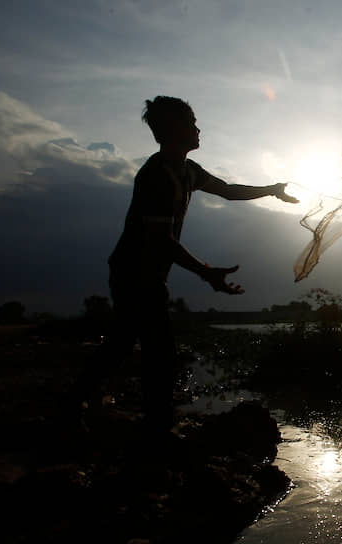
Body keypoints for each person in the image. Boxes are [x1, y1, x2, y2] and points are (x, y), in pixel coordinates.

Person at [70, 95, 298, 435]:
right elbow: (161, 239)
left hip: (151, 272)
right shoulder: (157, 175)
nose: (198, 129)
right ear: (176, 128)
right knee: (157, 349)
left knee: (124, 342)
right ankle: (155, 425)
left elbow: (229, 190)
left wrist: (271, 190)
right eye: (192, 124)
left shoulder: (188, 171)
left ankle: (82, 403)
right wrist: (207, 272)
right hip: (133, 272)